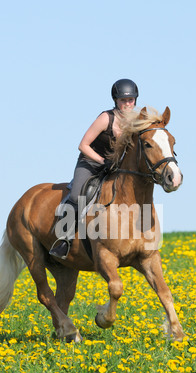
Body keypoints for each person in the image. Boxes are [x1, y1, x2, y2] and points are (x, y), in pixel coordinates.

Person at [49, 78, 139, 259]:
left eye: (130, 100)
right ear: (116, 100)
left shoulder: (136, 121)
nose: (127, 104)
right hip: (90, 163)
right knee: (76, 196)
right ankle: (64, 241)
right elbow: (83, 145)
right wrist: (101, 161)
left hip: (115, 168)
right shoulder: (106, 118)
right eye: (123, 100)